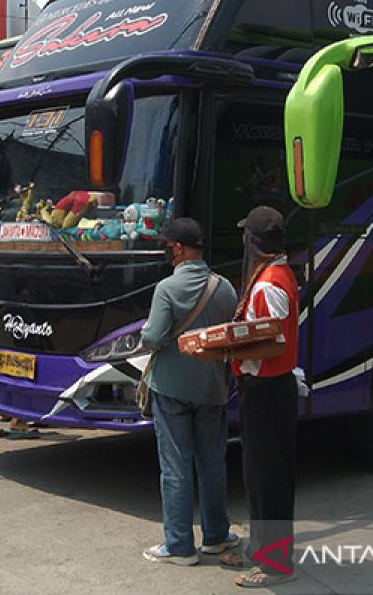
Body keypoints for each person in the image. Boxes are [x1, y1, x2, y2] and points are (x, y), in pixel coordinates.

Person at [203, 205, 300, 589]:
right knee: (262, 476)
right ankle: (263, 551)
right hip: (267, 390)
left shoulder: (270, 283)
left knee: (268, 480)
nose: (242, 240)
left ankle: (275, 565)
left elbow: (274, 342)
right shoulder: (275, 275)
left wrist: (230, 352)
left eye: (247, 235)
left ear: (254, 242)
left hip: (267, 391)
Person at [139, 217, 240, 566]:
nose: (167, 253)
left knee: (175, 465)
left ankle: (180, 546)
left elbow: (151, 338)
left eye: (168, 246)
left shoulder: (167, 289)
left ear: (179, 249)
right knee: (212, 462)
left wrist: (157, 334)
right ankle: (215, 535)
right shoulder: (225, 287)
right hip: (212, 387)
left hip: (171, 388)